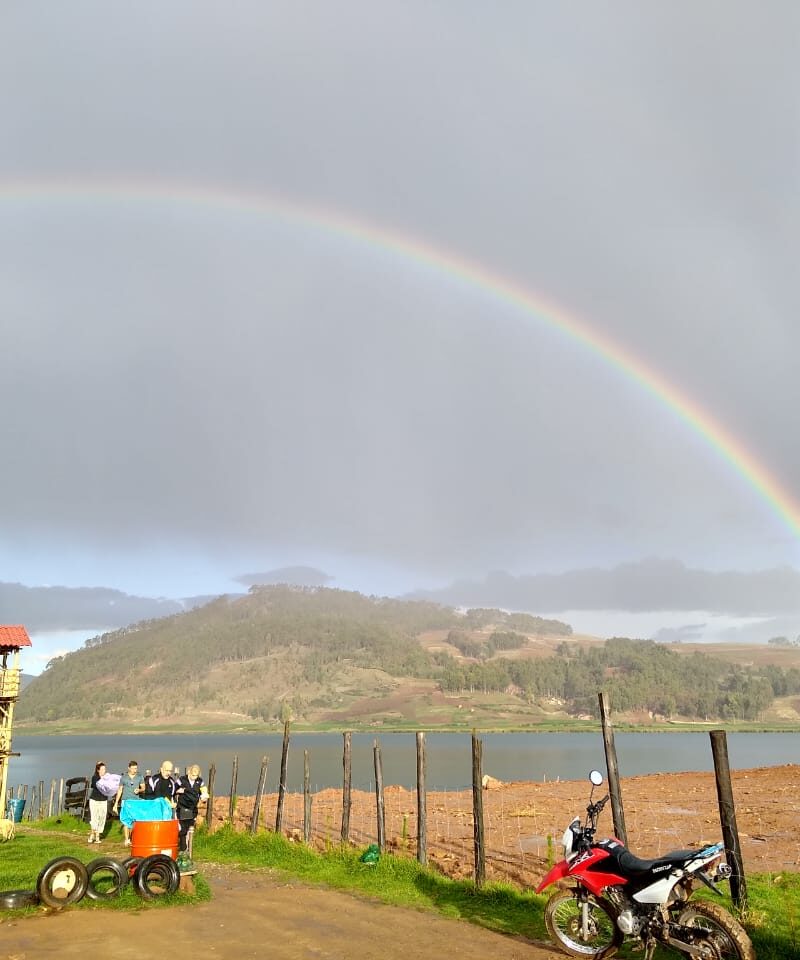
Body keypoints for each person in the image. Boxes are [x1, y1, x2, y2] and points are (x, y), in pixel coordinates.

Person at [175, 763, 206, 858]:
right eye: (192, 775)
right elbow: (174, 790)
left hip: (193, 808)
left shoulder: (200, 782)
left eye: (196, 775)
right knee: (183, 829)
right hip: (182, 807)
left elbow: (203, 793)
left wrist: (204, 798)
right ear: (189, 772)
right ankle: (182, 849)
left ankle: (189, 850)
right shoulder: (181, 780)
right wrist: (179, 791)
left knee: (190, 829)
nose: (194, 777)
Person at [112, 760, 145, 846]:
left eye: (136, 768)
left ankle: (131, 837)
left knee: (134, 821)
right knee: (126, 821)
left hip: (135, 802)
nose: (135, 770)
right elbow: (120, 790)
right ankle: (127, 839)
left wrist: (139, 790)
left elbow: (144, 788)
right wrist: (116, 803)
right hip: (125, 801)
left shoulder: (139, 776)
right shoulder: (124, 777)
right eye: (133, 768)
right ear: (129, 768)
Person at [88, 761, 110, 843]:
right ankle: (93, 835)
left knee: (102, 817)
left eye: (105, 769)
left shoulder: (107, 778)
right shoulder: (95, 778)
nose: (104, 770)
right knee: (94, 817)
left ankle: (97, 835)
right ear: (98, 770)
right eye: (102, 769)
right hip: (94, 800)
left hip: (103, 800)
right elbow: (97, 786)